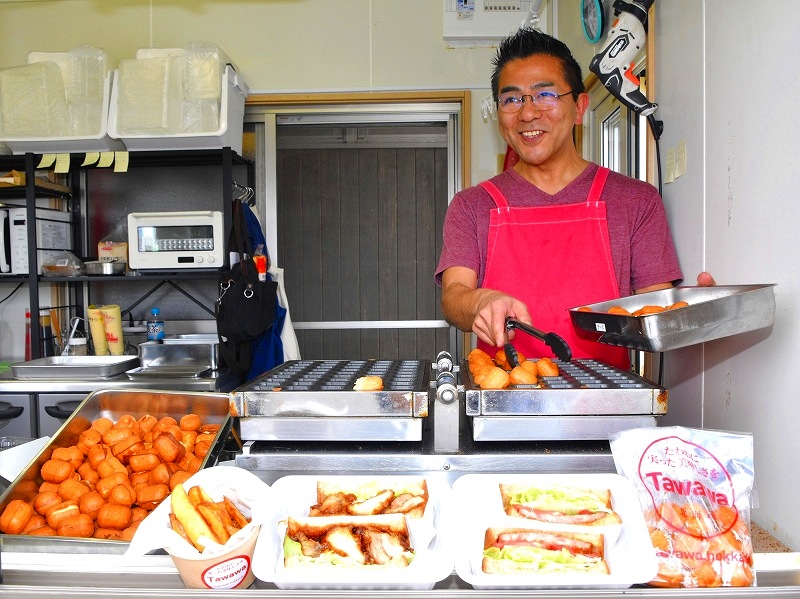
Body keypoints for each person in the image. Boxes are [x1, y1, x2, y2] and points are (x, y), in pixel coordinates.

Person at [435, 28, 712, 369]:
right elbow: (454, 297)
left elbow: (653, 310)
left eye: (545, 95)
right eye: (511, 99)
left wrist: (693, 312)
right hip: (501, 408)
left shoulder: (636, 201)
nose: (527, 113)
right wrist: (480, 300)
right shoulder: (472, 205)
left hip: (610, 407)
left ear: (579, 107)